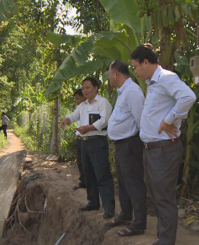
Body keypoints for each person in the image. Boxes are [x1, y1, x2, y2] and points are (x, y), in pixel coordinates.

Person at [130, 44, 196, 245]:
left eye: (135, 66)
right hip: (152, 150)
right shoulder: (153, 83)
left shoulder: (167, 78)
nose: (134, 71)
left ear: (146, 62)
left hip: (164, 150)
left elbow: (188, 96)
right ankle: (162, 239)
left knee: (164, 198)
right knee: (157, 196)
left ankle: (166, 242)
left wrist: (169, 120)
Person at [60, 77, 115, 219]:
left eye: (88, 87)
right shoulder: (82, 106)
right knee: (88, 172)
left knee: (102, 173)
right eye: (83, 88)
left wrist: (89, 128)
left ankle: (108, 207)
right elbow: (73, 115)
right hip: (84, 143)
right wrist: (67, 119)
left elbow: (104, 120)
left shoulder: (103, 103)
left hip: (97, 142)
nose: (85, 91)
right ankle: (93, 201)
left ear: (96, 88)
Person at [105, 60, 147, 237]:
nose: (109, 78)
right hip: (121, 144)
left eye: (109, 74)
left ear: (116, 73)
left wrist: (138, 143)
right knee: (123, 182)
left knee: (134, 183)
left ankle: (139, 223)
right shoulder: (122, 92)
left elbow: (140, 120)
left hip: (130, 143)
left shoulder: (132, 91)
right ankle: (126, 214)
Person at [72, 89, 87, 190]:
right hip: (79, 138)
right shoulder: (79, 108)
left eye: (78, 98)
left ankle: (88, 182)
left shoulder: (88, 108)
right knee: (80, 161)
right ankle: (83, 181)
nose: (77, 101)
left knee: (85, 162)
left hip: (85, 138)